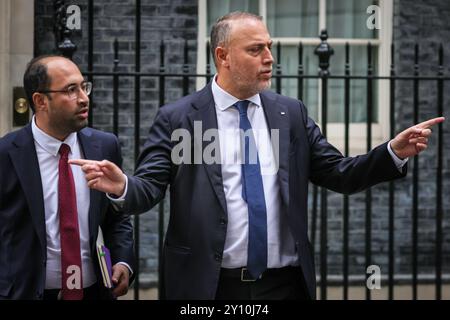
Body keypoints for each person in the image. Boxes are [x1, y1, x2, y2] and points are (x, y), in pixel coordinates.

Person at [70, 12, 444, 300]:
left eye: (269, 46)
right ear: (223, 56)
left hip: (284, 285)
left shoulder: (289, 113)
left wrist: (392, 152)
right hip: (210, 286)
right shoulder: (179, 118)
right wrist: (122, 186)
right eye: (256, 49)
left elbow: (338, 172)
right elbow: (149, 188)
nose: (270, 58)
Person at [0, 55, 135, 300]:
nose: (84, 98)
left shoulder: (105, 147)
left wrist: (123, 261)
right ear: (41, 101)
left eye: (84, 87)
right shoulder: (6, 154)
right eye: (71, 90)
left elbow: (118, 217)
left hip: (94, 292)